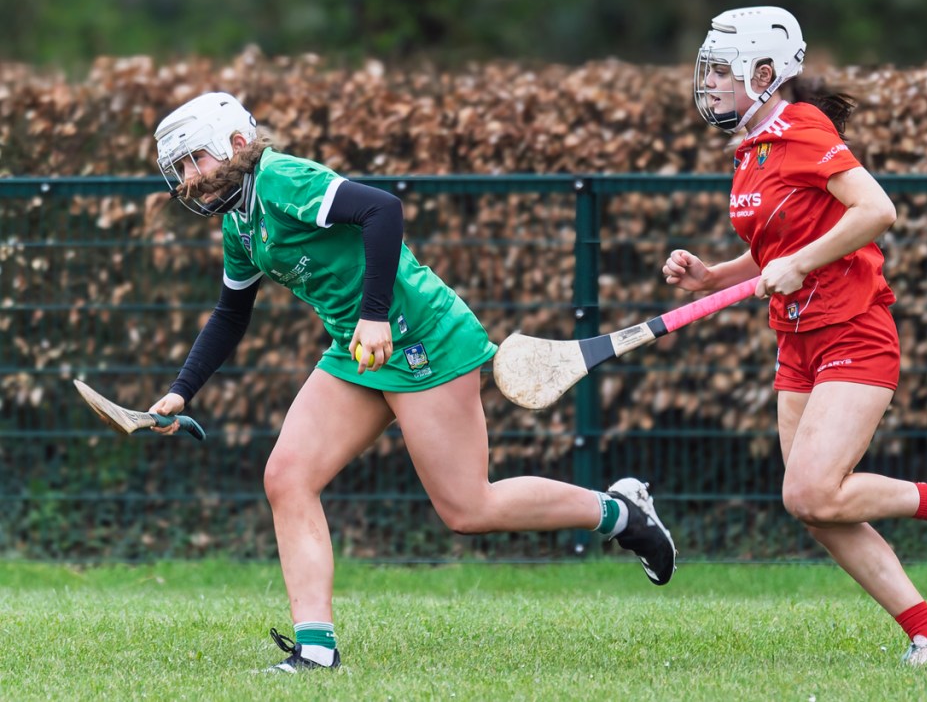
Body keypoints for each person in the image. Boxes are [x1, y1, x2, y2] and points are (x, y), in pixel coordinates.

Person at [147, 92, 677, 672]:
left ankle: (621, 513)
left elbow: (383, 210)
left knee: (468, 508)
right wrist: (181, 390)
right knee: (288, 477)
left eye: (196, 159)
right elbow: (230, 314)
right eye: (181, 168)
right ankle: (316, 650)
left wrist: (374, 314)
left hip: (424, 337)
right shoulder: (240, 224)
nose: (189, 179)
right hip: (358, 352)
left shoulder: (282, 180)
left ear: (237, 145)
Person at [664, 6, 927, 665]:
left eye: (724, 71)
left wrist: (801, 263)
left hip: (853, 330)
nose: (712, 83)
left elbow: (877, 210)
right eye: (711, 70)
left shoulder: (802, 128)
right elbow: (782, 242)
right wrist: (713, 276)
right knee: (815, 507)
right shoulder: (752, 149)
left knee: (810, 490)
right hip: (796, 341)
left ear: (765, 74)